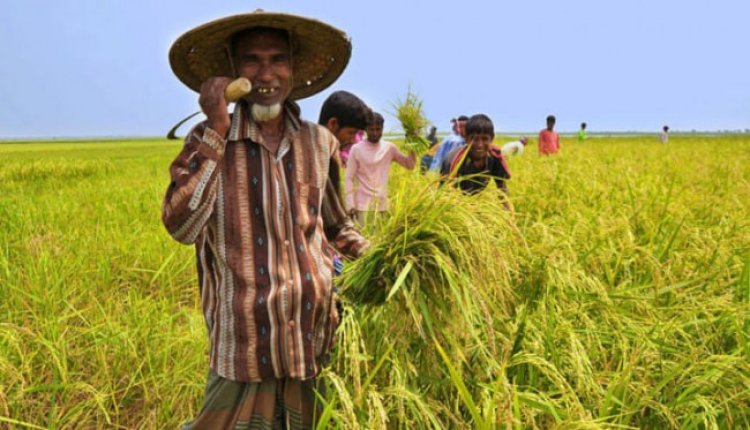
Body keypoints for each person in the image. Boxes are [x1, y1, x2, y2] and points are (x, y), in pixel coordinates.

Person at [163, 10, 369, 429]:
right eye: (252, 61)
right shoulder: (206, 142)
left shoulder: (319, 142)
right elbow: (181, 226)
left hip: (313, 340)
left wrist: (382, 256)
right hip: (245, 347)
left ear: (292, 69)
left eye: (277, 59)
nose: (266, 73)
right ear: (233, 72)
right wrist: (218, 128)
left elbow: (335, 226)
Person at [345, 111, 416, 225]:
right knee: (365, 240)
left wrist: (412, 145)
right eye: (371, 129)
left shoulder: (389, 148)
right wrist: (350, 204)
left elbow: (410, 165)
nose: (375, 133)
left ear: (383, 128)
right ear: (365, 129)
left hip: (382, 206)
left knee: (381, 241)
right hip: (363, 208)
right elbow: (348, 177)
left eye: (378, 129)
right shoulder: (356, 149)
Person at [440, 114, 511, 198]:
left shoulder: (495, 156)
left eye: (484, 139)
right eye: (474, 139)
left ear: (492, 138)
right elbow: (448, 197)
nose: (480, 145)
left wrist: (509, 211)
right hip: (451, 198)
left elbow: (503, 190)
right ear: (466, 139)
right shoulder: (454, 160)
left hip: (475, 198)